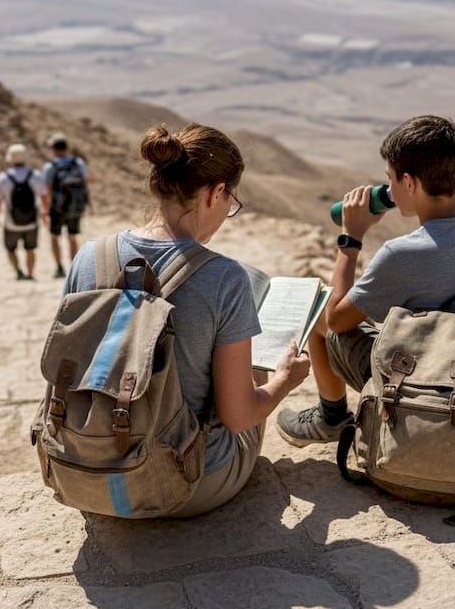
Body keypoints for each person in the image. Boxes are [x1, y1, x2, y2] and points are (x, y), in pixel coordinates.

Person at [62, 123, 310, 517]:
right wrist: (286, 380)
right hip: (184, 486)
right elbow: (238, 416)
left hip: (82, 468)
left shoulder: (89, 256)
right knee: (255, 375)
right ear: (216, 193)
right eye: (231, 202)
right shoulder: (224, 277)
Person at [276, 115, 455, 446]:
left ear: (409, 183)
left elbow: (336, 320)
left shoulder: (402, 253)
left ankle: (331, 419)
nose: (388, 189)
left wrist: (351, 237)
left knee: (319, 310)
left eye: (390, 179)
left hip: (436, 393)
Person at [0, 143, 49, 281]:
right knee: (30, 249)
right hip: (32, 221)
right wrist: (44, 213)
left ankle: (18, 271)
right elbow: (44, 196)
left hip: (11, 222)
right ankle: (30, 274)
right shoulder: (35, 175)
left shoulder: (3, 178)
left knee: (11, 249)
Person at [43, 133, 90, 278]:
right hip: (75, 206)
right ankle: (74, 268)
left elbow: (47, 189)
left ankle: (59, 268)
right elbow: (86, 182)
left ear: (53, 149)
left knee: (54, 237)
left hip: (57, 208)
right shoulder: (78, 163)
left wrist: (45, 209)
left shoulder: (50, 166)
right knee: (72, 237)